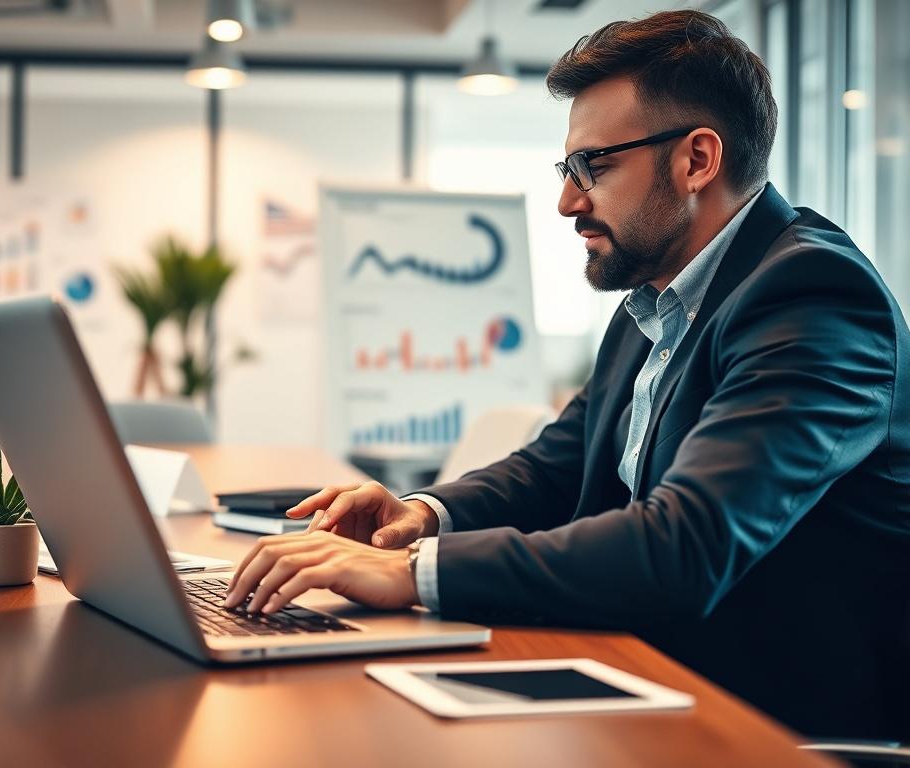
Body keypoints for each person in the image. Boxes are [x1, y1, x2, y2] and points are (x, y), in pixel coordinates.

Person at [225, 10, 910, 738]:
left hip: (769, 725)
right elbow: (554, 468)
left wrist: (417, 572)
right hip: (646, 673)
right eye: (567, 170)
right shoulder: (657, 297)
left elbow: (686, 546)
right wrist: (420, 516)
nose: (567, 201)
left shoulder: (812, 298)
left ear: (697, 160)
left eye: (595, 167)